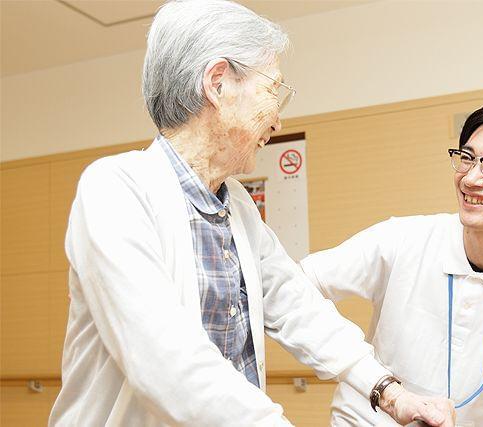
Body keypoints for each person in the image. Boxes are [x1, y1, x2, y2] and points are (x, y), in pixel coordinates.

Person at [48, 1, 459, 426]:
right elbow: (166, 359)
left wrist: (388, 391)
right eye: (271, 89)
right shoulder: (115, 189)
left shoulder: (237, 205)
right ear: (218, 83)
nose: (278, 120)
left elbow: (298, 306)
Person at [300, 98, 483, 426]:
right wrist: (356, 364)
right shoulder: (402, 239)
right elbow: (294, 287)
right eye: (466, 158)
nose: (470, 179)